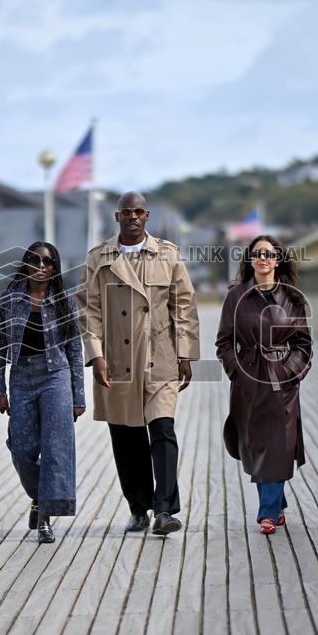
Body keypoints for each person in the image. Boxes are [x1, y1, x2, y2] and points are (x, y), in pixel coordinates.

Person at [78, 191, 200, 536]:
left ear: (147, 216)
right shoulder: (99, 258)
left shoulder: (167, 253)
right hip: (117, 359)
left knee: (163, 430)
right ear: (117, 218)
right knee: (126, 436)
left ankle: (165, 511)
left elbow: (185, 305)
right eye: (125, 212)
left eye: (138, 212)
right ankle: (138, 508)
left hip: (159, 356)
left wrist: (186, 353)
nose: (132, 217)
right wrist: (96, 354)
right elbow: (89, 309)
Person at [216, 235, 313, 535]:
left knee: (278, 445)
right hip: (248, 382)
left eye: (269, 254)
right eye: (257, 254)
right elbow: (224, 342)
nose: (263, 259)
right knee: (256, 446)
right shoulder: (235, 297)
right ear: (250, 260)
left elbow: (304, 345)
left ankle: (267, 512)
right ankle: (277, 502)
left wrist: (288, 372)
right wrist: (237, 371)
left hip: (281, 382)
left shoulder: (293, 298)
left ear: (278, 260)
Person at [0, 242, 85, 544]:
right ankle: (39, 496)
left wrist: (78, 395)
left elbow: (74, 348)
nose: (41, 266)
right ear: (27, 264)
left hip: (56, 376)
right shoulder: (10, 299)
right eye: (35, 261)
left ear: (54, 268)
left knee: (56, 448)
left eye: (47, 262)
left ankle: (45, 518)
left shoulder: (63, 300)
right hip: (21, 378)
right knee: (21, 449)